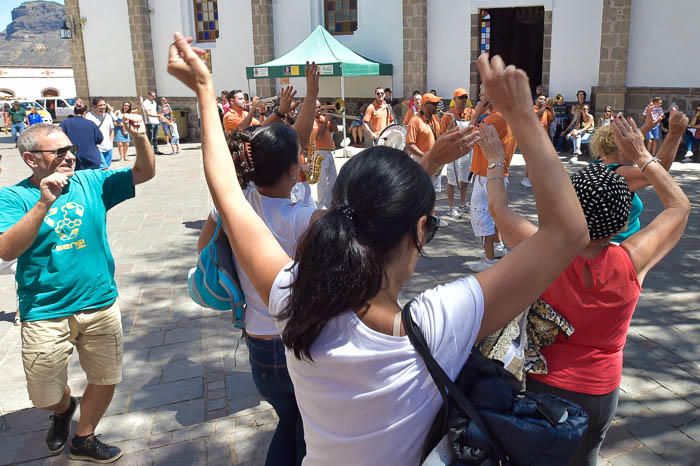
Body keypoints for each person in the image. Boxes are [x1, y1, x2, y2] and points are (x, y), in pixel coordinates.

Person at [168, 34, 588, 466]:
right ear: (420, 232)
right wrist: (522, 116)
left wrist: (204, 91)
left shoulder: (292, 297)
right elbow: (570, 234)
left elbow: (228, 194)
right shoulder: (436, 323)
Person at [480, 113, 690, 466]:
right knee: (587, 456)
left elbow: (498, 210)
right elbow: (679, 206)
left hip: (545, 383)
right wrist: (643, 155)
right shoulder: (631, 261)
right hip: (601, 389)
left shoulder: (544, 251)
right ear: (623, 221)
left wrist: (497, 163)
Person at [0, 117, 155, 463]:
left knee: (104, 376)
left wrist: (141, 138)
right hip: (45, 310)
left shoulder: (91, 181)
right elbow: (7, 250)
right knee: (44, 394)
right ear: (31, 159)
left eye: (71, 149)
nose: (71, 156)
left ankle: (83, 438)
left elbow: (143, 173)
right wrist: (43, 203)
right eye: (60, 152)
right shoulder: (12, 197)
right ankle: (64, 407)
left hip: (99, 303)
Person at [194, 63, 321, 466]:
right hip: (296, 342)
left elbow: (204, 249)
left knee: (288, 422)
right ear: (294, 168)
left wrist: (281, 118)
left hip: (257, 341)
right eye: (300, 157)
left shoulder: (235, 205)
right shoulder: (305, 219)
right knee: (307, 432)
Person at [588, 107, 687, 244]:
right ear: (622, 147)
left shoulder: (599, 164)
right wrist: (675, 134)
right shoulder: (618, 173)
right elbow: (659, 170)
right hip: (617, 246)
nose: (638, 145)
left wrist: (647, 126)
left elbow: (628, 142)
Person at [467, 83, 517, 272]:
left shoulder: (495, 118)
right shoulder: (506, 116)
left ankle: (489, 260)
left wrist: (477, 110)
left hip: (487, 174)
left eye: (482, 93)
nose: (480, 96)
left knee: (481, 216)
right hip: (495, 173)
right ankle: (498, 247)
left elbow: (467, 134)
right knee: (493, 215)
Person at [406, 92, 446, 224]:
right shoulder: (415, 121)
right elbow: (410, 145)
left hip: (434, 160)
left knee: (433, 192)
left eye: (436, 103)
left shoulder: (434, 119)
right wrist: (426, 156)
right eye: (433, 104)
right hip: (421, 161)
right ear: (424, 105)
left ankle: (431, 218)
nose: (436, 106)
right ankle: (418, 219)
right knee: (421, 192)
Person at [440, 88, 474, 219]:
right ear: (454, 100)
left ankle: (463, 204)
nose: (464, 100)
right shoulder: (448, 115)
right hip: (452, 153)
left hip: (467, 152)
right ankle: (451, 207)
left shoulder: (471, 113)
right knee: (452, 180)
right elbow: (442, 135)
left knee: (465, 179)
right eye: (461, 97)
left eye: (466, 97)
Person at [522, 93, 554, 188]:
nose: (543, 101)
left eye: (544, 99)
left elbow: (552, 119)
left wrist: (551, 108)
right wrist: (545, 106)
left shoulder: (546, 110)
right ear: (535, 100)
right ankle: (526, 178)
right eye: (540, 99)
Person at [59, 105, 104, 170]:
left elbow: (59, 137)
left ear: (74, 112)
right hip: (91, 158)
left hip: (73, 158)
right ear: (85, 112)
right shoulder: (91, 123)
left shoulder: (65, 123)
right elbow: (100, 139)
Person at [311, 100, 338, 209]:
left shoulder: (322, 119)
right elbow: (319, 137)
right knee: (322, 181)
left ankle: (330, 203)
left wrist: (331, 119)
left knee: (332, 179)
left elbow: (335, 130)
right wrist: (326, 120)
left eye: (319, 107)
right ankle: (321, 205)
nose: (319, 109)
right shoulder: (311, 122)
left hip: (328, 152)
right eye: (316, 107)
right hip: (319, 152)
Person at [85, 97, 115, 168]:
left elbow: (112, 130)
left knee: (107, 168)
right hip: (97, 148)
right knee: (103, 169)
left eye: (104, 105)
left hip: (108, 148)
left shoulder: (108, 116)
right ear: (95, 106)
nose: (103, 107)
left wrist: (111, 143)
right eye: (100, 105)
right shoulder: (88, 116)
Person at [141, 91, 163, 155]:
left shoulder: (154, 102)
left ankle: (156, 150)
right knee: (150, 137)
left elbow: (154, 112)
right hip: (149, 122)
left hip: (156, 121)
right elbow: (148, 114)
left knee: (155, 137)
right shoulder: (146, 103)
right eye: (153, 96)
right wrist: (158, 116)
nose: (154, 97)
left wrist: (158, 117)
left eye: (155, 96)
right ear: (149, 95)